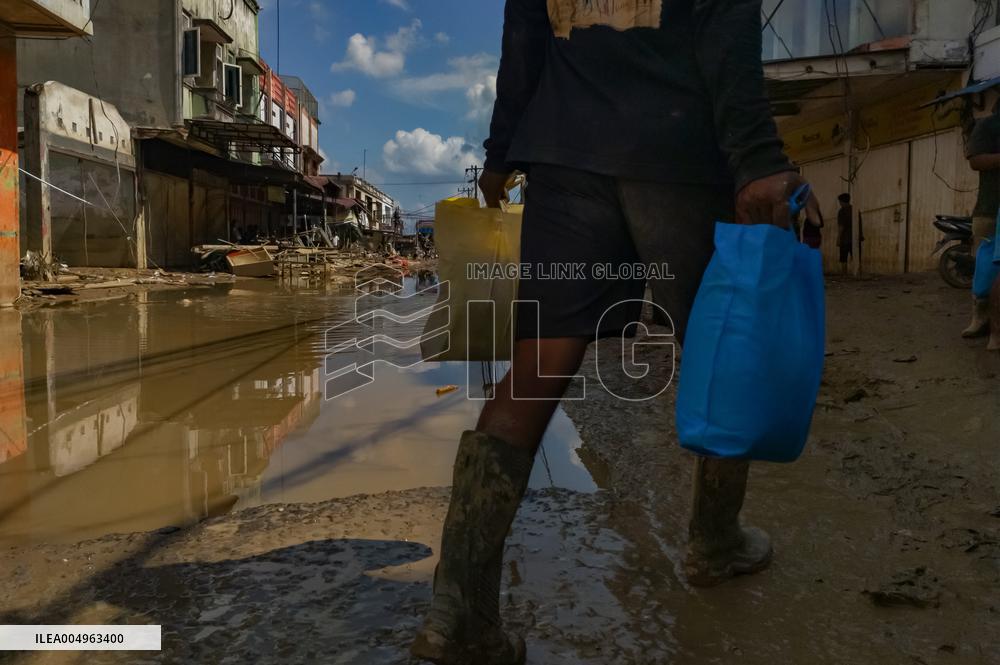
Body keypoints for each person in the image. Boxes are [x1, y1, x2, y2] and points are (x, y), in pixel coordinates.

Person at [410, 2, 820, 663]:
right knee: (720, 348)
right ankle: (714, 541)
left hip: (565, 158)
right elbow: (727, 22)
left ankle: (457, 612)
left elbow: (523, 42)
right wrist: (757, 154)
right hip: (677, 146)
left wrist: (498, 155)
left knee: (537, 364)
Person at [964, 106, 1000, 339]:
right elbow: (975, 160)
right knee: (986, 268)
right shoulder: (988, 125)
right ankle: (980, 317)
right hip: (990, 210)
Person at [837, 193, 854, 275]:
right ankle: (857, 273)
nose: (839, 204)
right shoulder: (854, 209)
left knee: (843, 258)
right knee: (855, 256)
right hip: (855, 238)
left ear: (843, 202)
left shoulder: (842, 211)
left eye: (840, 202)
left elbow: (841, 226)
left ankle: (844, 275)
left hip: (845, 238)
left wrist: (838, 238)